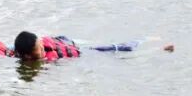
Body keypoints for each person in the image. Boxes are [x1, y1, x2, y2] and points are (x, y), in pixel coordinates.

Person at [13, 31, 175, 61]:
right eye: (39, 50)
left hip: (77, 47)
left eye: (42, 46)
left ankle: (146, 39)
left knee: (122, 50)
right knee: (119, 53)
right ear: (27, 55)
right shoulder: (22, 54)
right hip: (70, 45)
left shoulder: (36, 55)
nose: (43, 50)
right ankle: (158, 48)